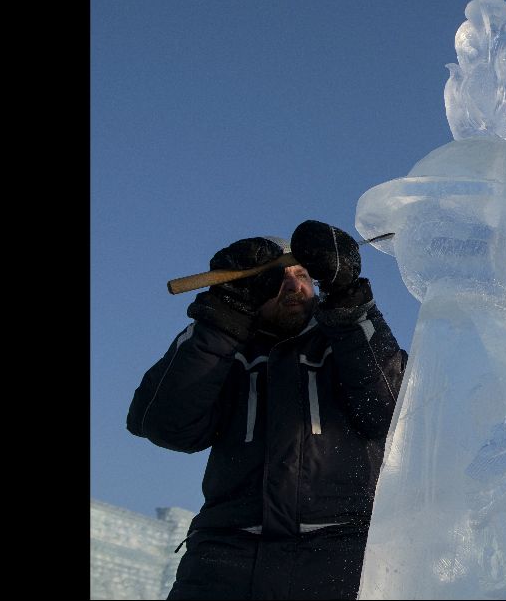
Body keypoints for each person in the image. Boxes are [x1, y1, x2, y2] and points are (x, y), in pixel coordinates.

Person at [128, 220, 408, 599]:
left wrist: (349, 299)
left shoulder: (347, 343)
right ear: (250, 285)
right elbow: (165, 425)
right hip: (223, 567)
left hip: (341, 562)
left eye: (304, 274)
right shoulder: (221, 349)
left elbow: (389, 411)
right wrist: (221, 312)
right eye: (275, 277)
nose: (293, 285)